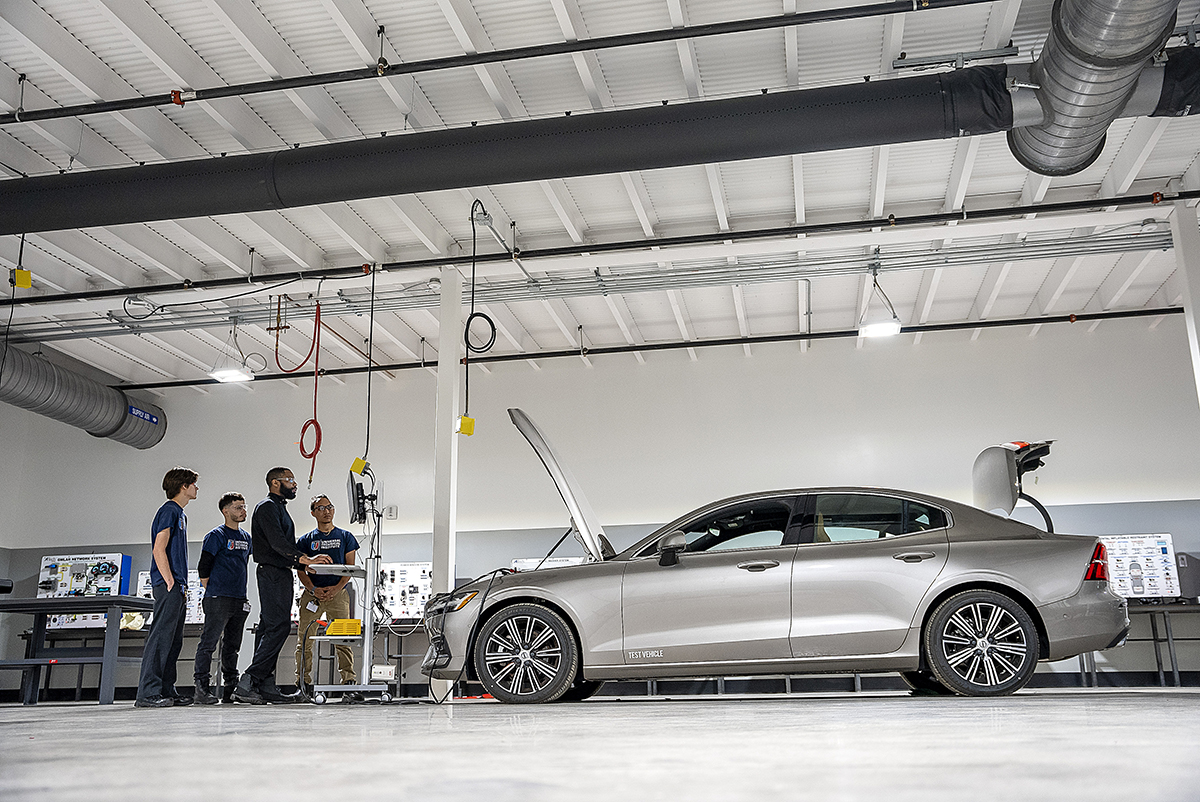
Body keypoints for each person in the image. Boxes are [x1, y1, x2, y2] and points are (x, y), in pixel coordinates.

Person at [232, 467, 330, 704]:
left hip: (279, 573)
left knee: (268, 628)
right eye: (290, 480)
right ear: (275, 483)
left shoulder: (278, 508)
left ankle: (265, 686)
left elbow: (284, 545)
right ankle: (249, 680)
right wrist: (305, 560)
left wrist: (303, 564)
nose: (294, 484)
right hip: (272, 573)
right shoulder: (267, 507)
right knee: (279, 627)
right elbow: (277, 543)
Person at [135, 466, 199, 708]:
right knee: (161, 638)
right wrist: (170, 581)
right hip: (168, 585)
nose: (196, 488)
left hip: (178, 586)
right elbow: (158, 548)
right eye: (193, 483)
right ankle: (147, 693)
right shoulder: (168, 511)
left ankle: (165, 689)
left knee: (173, 640)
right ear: (184, 486)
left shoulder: (180, 514)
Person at [295, 495, 360, 699]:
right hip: (312, 596)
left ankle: (349, 682)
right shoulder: (305, 540)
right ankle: (303, 684)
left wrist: (336, 589)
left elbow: (349, 569)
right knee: (304, 640)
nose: (327, 511)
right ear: (313, 512)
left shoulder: (345, 536)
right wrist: (313, 590)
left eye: (330, 507)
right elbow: (301, 569)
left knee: (343, 639)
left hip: (338, 594)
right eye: (321, 508)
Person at [192, 492, 252, 705]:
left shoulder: (246, 538)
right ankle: (201, 689)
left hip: (239, 598)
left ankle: (230, 689)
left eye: (244, 507)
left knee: (232, 646)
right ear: (225, 511)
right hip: (217, 598)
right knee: (208, 644)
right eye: (238, 507)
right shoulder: (216, 535)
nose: (243, 511)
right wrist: (214, 591)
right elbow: (203, 567)